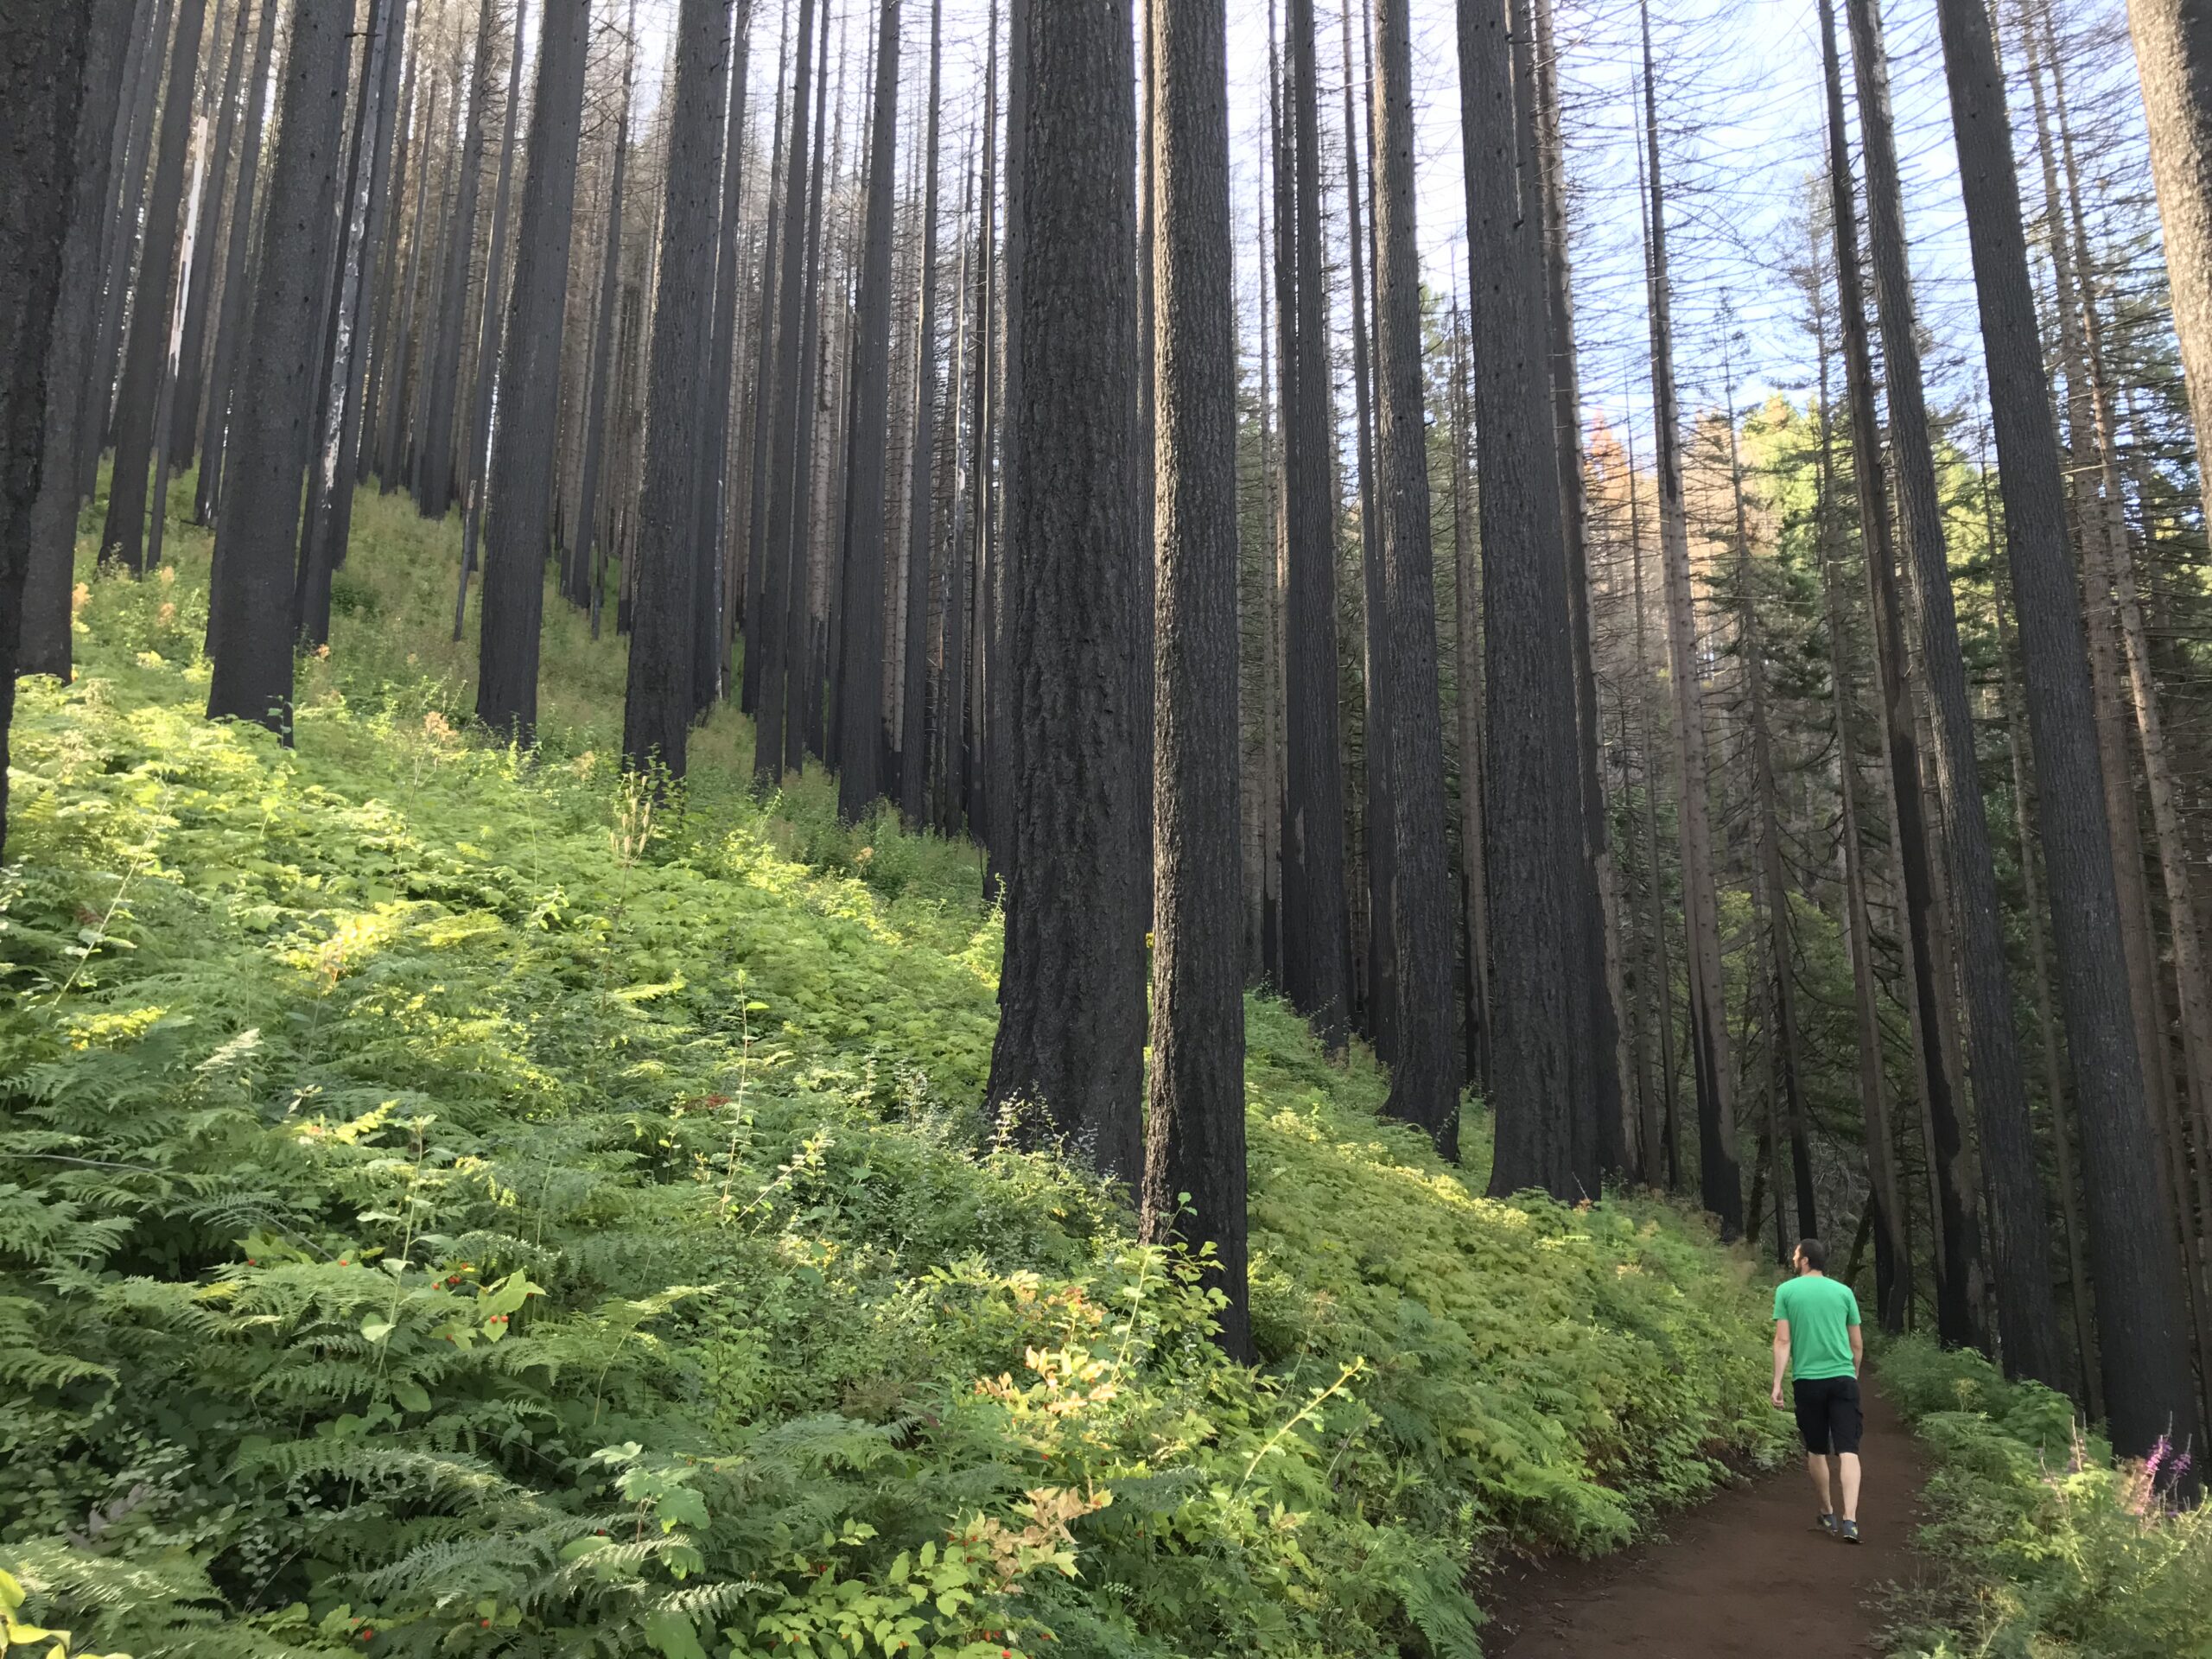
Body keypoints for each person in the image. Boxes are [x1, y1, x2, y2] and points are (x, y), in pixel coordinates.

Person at [1770, 1236, 1866, 1543]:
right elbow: (1856, 1345)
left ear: (1805, 1260)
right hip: (1843, 1379)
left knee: (1816, 1449)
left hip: (1808, 1381)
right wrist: (1854, 1373)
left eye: (1796, 1255)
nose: (1793, 1259)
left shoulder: (1786, 1291)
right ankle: (1851, 1521)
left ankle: (1827, 1512)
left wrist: (1777, 1382)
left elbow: (1783, 1340)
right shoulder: (1844, 1292)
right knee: (1848, 1450)